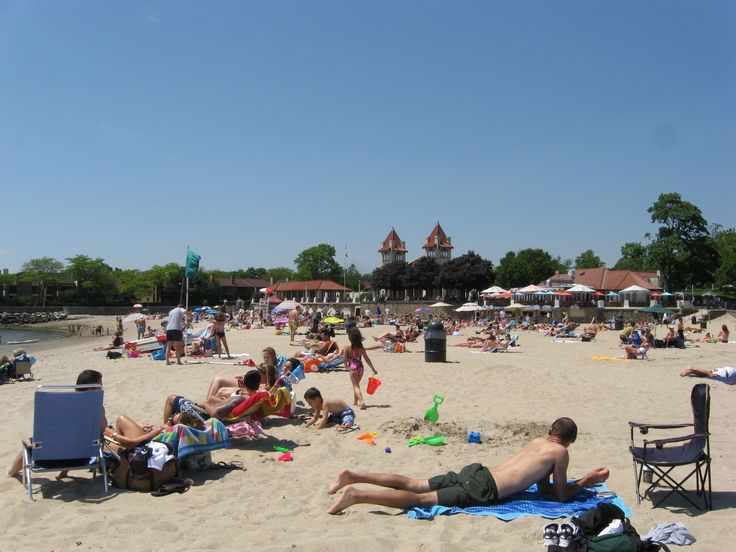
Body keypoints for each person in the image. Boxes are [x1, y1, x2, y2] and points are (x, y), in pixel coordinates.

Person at [326, 417, 609, 514]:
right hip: (485, 487)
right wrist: (586, 481)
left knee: (414, 482)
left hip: (478, 471)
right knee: (420, 499)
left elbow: (543, 487)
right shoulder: (560, 453)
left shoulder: (538, 441)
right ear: (569, 440)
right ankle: (357, 494)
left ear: (551, 430)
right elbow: (560, 495)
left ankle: (352, 474)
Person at [6, 369, 108, 478]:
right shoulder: (96, 409)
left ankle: (11, 471)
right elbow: (102, 429)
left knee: (32, 446)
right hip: (81, 458)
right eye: (99, 387)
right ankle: (63, 472)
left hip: (46, 460)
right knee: (75, 440)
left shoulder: (62, 408)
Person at [343, 327, 378, 410]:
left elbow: (344, 360)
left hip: (353, 367)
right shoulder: (361, 348)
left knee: (355, 386)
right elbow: (367, 359)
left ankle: (362, 402)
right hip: (360, 367)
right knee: (356, 385)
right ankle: (355, 401)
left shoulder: (346, 348)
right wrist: (373, 369)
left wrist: (346, 367)